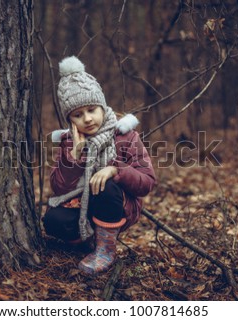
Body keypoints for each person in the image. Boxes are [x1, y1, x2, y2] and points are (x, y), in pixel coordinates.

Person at [43, 56, 156, 275]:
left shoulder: (125, 136)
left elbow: (148, 182)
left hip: (118, 204)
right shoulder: (70, 141)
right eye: (78, 115)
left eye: (92, 110)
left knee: (105, 186)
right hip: (82, 205)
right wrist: (74, 157)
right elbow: (59, 188)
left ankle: (105, 249)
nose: (87, 119)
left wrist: (116, 170)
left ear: (102, 107)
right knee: (53, 220)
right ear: (71, 120)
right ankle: (89, 243)